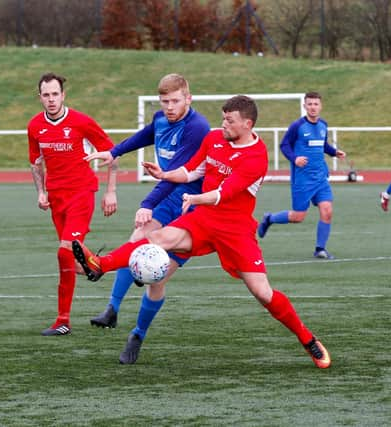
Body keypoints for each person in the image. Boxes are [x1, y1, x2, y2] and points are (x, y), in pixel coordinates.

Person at [72, 95, 331, 369]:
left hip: (236, 230)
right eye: (223, 119)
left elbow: (223, 193)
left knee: (263, 293)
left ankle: (307, 339)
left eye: (230, 121)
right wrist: (165, 174)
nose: (224, 125)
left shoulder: (257, 156)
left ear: (247, 124)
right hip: (204, 220)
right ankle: (100, 265)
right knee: (158, 239)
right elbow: (192, 171)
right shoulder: (214, 138)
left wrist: (195, 199)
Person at [84, 73, 210, 329]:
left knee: (157, 277)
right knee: (134, 243)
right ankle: (112, 309)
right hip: (168, 197)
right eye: (165, 101)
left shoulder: (197, 128)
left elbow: (175, 175)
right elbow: (145, 135)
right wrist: (114, 151)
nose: (170, 107)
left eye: (175, 101)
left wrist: (147, 204)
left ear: (188, 98)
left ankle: (138, 334)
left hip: (192, 205)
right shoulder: (161, 118)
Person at [28, 72, 118, 336]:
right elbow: (36, 162)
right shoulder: (34, 126)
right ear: (40, 97)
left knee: (63, 250)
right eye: (46, 95)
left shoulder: (81, 122)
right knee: (75, 261)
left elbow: (113, 154)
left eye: (56, 94)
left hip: (82, 193)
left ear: (63, 95)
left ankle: (62, 320)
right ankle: (100, 264)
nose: (51, 99)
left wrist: (111, 192)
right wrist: (40, 192)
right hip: (56, 197)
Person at [257, 92, 345, 260]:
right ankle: (270, 218)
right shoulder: (297, 126)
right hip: (303, 179)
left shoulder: (323, 125)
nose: (313, 107)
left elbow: (322, 145)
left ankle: (320, 249)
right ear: (305, 106)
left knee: (327, 211)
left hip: (320, 177)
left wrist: (334, 153)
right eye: (310, 104)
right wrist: (295, 158)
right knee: (298, 217)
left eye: (316, 104)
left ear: (321, 106)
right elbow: (284, 145)